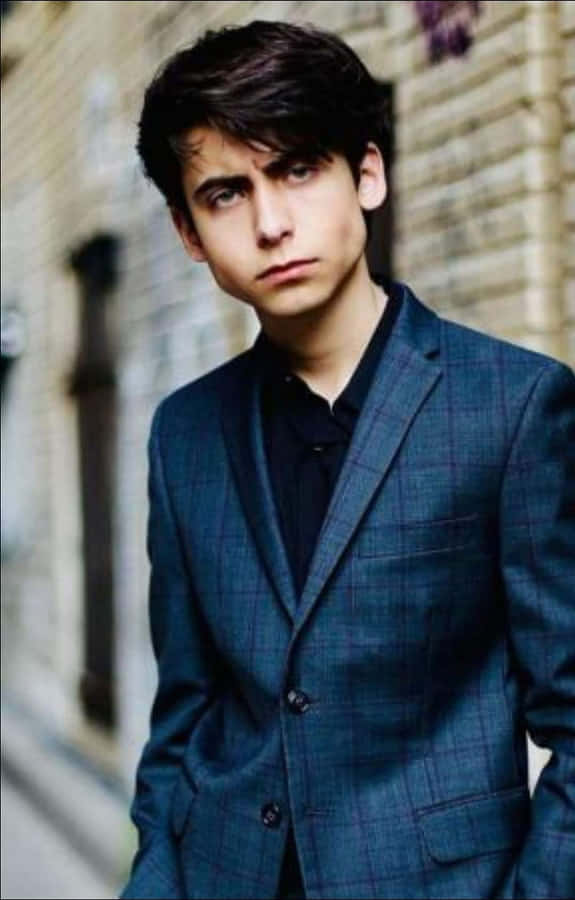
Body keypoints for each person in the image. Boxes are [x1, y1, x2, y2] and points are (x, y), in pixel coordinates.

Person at [120, 19, 574, 900]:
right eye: (225, 193)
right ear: (186, 229)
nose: (270, 223)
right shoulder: (183, 434)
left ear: (366, 173)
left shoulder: (512, 407)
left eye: (296, 168)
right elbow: (183, 715)